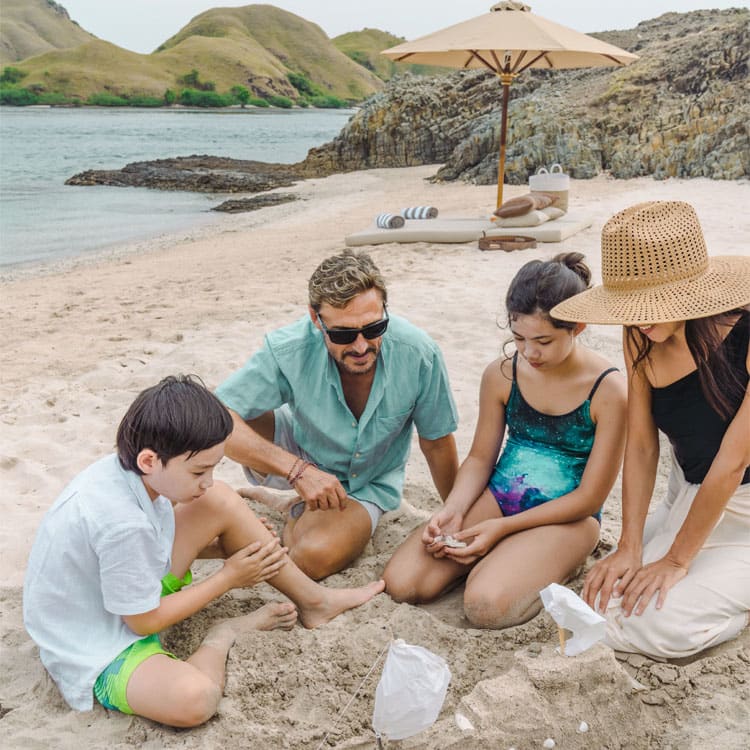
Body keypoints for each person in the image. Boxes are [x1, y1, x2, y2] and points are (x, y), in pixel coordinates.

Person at [23, 376, 384, 727]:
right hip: (98, 642)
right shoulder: (122, 523)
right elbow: (142, 621)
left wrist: (218, 547)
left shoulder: (129, 469)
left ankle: (315, 601)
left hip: (119, 593)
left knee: (219, 500)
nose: (207, 480)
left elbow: (139, 548)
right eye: (199, 472)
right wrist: (229, 577)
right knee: (195, 700)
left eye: (213, 467)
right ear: (149, 461)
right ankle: (223, 635)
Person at [550, 201, 750, 659]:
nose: (640, 317)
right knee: (601, 605)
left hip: (742, 495)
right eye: (630, 306)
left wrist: (677, 560)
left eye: (651, 304)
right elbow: (641, 446)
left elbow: (733, 462)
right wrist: (629, 545)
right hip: (691, 489)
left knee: (658, 624)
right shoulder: (640, 332)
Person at [383, 253, 627, 628]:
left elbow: (590, 498)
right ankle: (502, 559)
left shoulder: (608, 391)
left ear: (577, 326)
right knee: (401, 583)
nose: (529, 352)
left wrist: (502, 530)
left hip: (567, 518)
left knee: (484, 606)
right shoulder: (501, 374)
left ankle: (533, 560)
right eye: (518, 338)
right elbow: (481, 458)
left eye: (543, 340)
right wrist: (454, 509)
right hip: (500, 498)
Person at [215, 249, 459, 580]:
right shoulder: (289, 348)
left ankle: (293, 509)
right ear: (316, 320)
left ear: (385, 310)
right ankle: (297, 502)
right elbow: (214, 417)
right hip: (299, 447)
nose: (360, 346)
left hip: (366, 481)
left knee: (311, 558)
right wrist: (297, 471)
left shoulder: (419, 353)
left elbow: (437, 443)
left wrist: (457, 514)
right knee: (225, 416)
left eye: (374, 328)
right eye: (343, 334)